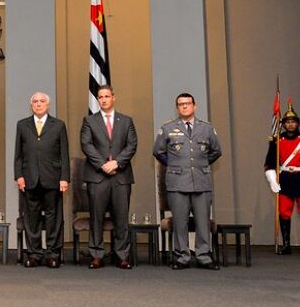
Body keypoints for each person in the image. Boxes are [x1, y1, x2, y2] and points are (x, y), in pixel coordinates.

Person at [153, 92, 222, 270]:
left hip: (201, 180)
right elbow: (158, 152)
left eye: (187, 103)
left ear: (194, 106)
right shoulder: (168, 128)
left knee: (202, 221)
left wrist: (201, 165)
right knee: (180, 222)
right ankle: (181, 256)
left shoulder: (207, 129)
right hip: (177, 182)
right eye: (180, 104)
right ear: (177, 107)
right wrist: (175, 165)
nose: (184, 106)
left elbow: (215, 151)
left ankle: (204, 256)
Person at [80, 85, 138, 270]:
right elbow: (86, 144)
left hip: (121, 177)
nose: (103, 99)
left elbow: (132, 145)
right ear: (97, 100)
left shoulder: (126, 121)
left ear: (114, 97)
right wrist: (103, 164)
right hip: (97, 176)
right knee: (96, 218)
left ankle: (122, 256)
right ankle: (96, 255)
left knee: (121, 219)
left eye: (106, 96)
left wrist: (117, 163)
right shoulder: (89, 120)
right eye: (100, 97)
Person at [14, 92, 69, 269]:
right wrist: (19, 176)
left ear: (48, 105)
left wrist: (64, 178)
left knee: (54, 218)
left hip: (53, 179)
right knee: (32, 218)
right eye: (35, 102)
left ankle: (53, 254)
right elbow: (18, 155)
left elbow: (64, 155)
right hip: (30, 179)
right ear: (31, 105)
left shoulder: (58, 125)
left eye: (42, 101)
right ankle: (34, 254)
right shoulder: (22, 125)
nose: (38, 104)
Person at [264, 101, 300, 256]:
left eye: (293, 122)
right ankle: (286, 245)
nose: (290, 125)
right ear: (283, 124)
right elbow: (269, 162)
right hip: (285, 179)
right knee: (284, 212)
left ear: (298, 124)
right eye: (287, 122)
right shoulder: (277, 140)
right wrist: (272, 180)